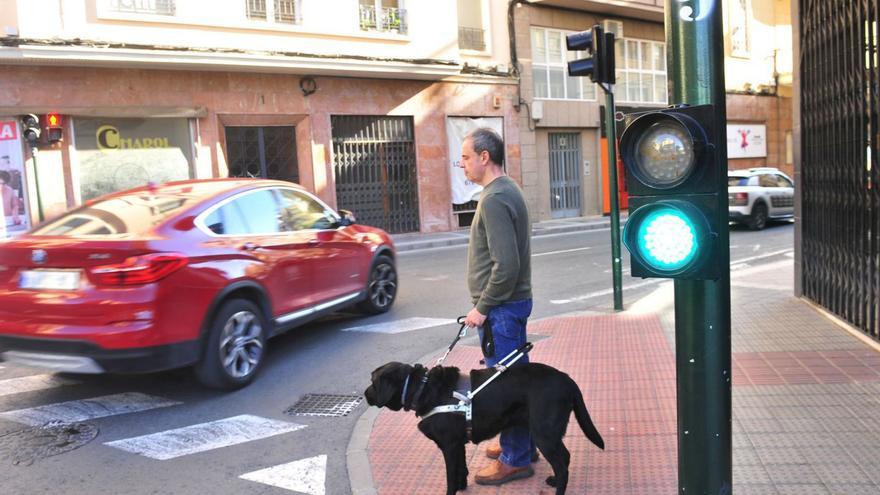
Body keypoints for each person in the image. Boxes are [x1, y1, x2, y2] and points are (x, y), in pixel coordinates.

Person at [460, 127, 535, 486]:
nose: (462, 165)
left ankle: (516, 458)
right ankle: (522, 444)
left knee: (506, 387)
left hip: (503, 308)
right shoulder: (507, 189)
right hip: (511, 305)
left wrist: (483, 308)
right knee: (516, 381)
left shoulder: (493, 198)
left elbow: (506, 265)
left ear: (484, 157)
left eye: (466, 158)